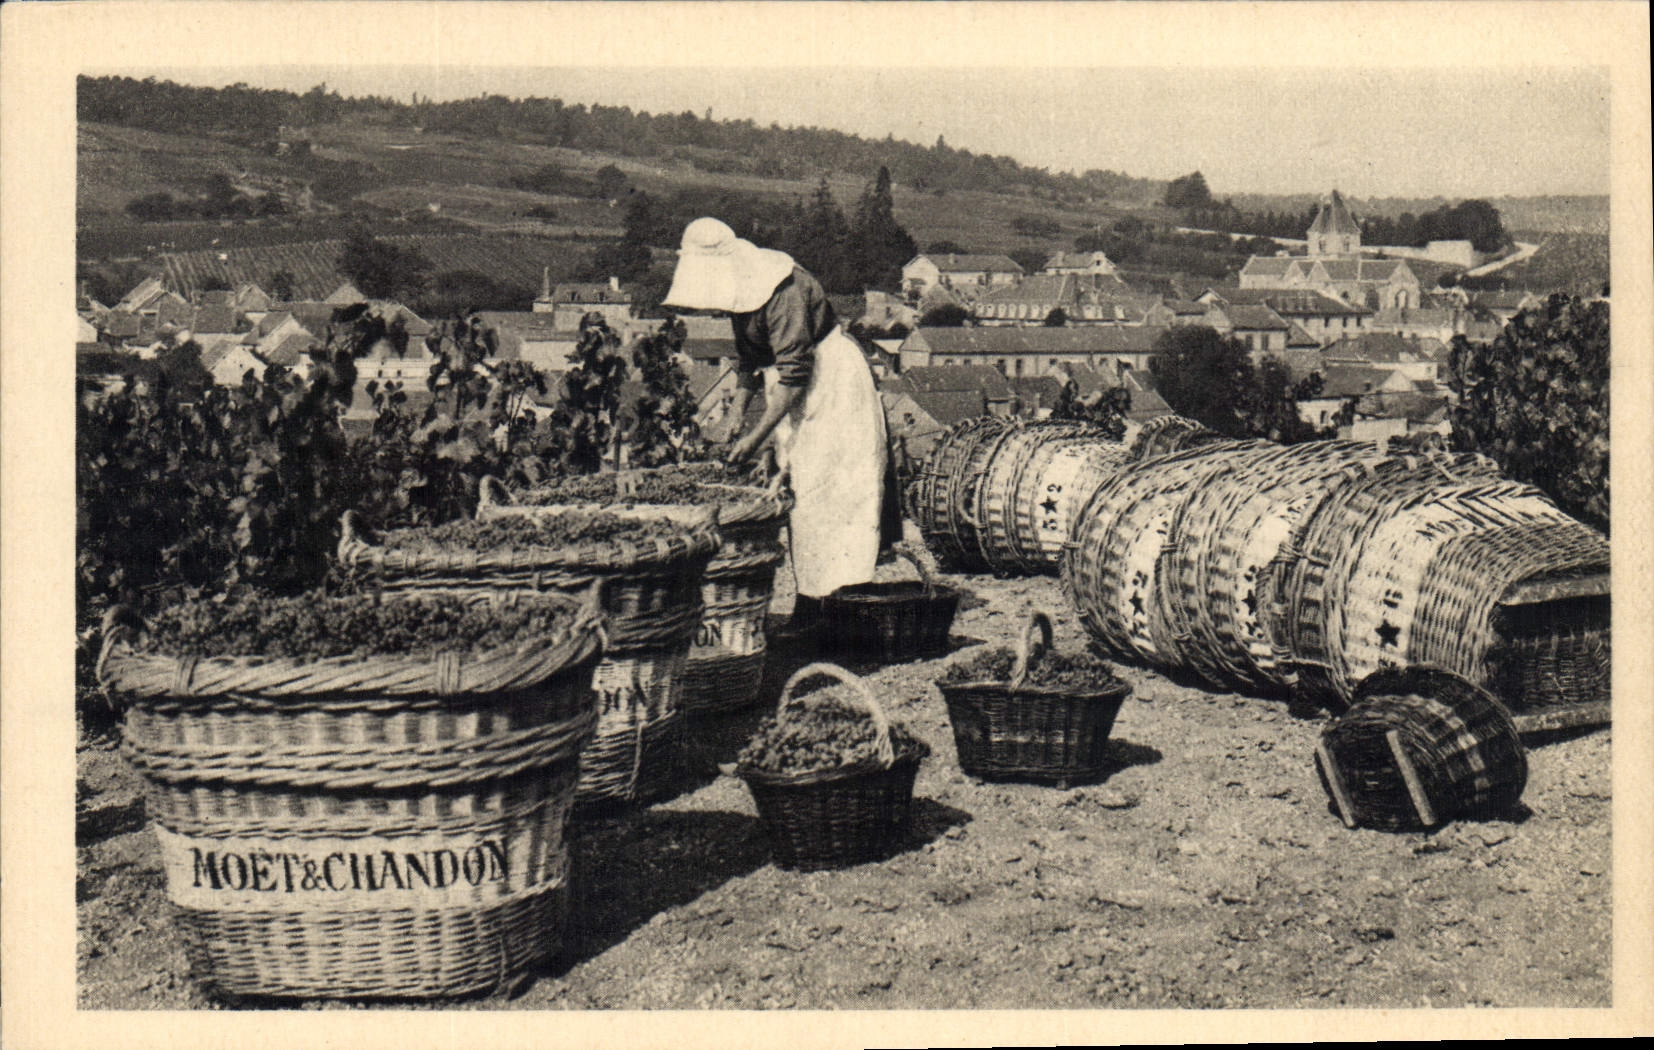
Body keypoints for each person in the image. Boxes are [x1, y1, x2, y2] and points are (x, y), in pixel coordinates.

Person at [663, 217, 887, 635]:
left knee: (837, 494)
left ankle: (841, 609)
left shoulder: (782, 289)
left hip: (830, 383)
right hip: (793, 390)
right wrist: (735, 417)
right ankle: (811, 606)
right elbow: (749, 361)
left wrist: (755, 437)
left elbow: (795, 372)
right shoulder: (742, 293)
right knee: (803, 495)